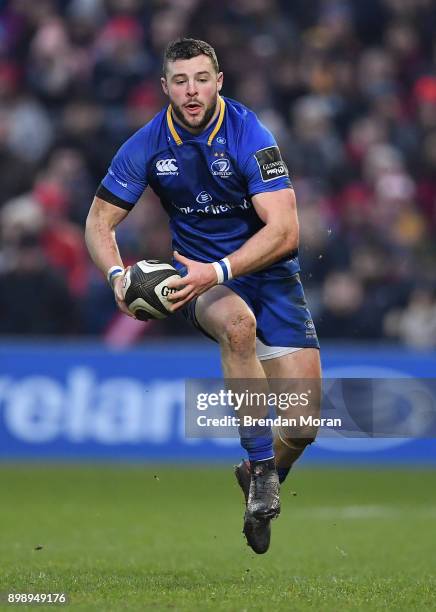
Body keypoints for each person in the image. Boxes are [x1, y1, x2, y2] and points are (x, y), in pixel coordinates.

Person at [85, 38, 321, 554]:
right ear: (165, 86)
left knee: (304, 427)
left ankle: (260, 473)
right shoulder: (147, 144)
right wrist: (115, 276)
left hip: (271, 276)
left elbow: (286, 231)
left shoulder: (249, 133)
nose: (191, 91)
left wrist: (222, 268)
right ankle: (261, 465)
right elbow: (99, 222)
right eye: (180, 80)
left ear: (219, 82)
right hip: (199, 281)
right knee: (237, 327)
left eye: (201, 79)